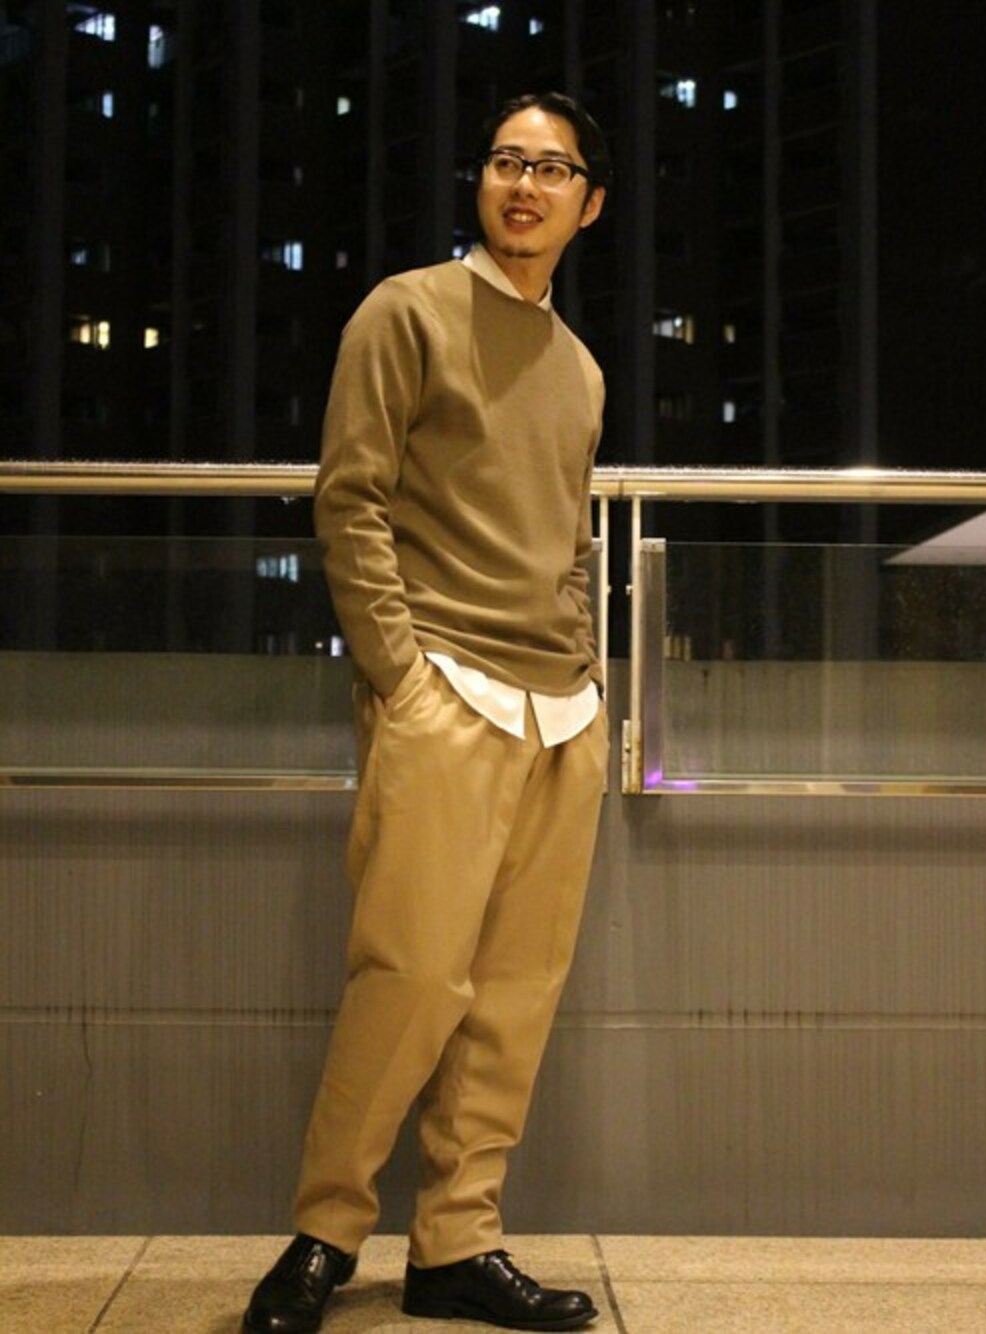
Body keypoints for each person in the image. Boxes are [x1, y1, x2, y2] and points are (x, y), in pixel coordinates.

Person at [243, 90, 611, 1334]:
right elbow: (350, 498)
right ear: (481, 182)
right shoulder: (405, 311)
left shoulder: (579, 369)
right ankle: (324, 1235)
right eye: (507, 161)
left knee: (513, 997)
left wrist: (589, 680)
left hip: (562, 714)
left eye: (550, 169)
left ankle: (458, 1241)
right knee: (406, 977)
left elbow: (568, 540)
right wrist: (401, 674)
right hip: (445, 687)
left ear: (588, 204)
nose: (524, 184)